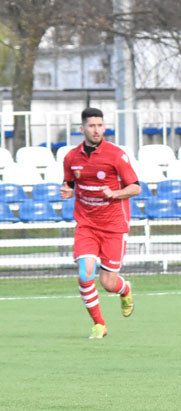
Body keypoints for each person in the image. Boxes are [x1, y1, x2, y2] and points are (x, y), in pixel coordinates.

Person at [61, 107, 141, 339]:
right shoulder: (71, 158)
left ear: (104, 128)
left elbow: (136, 187)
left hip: (114, 226)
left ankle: (124, 289)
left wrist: (115, 194)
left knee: (108, 282)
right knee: (85, 274)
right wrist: (66, 191)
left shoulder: (116, 155)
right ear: (82, 129)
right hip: (86, 224)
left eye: (100, 126)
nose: (96, 130)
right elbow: (69, 184)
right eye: (92, 126)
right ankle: (99, 324)